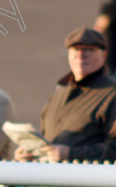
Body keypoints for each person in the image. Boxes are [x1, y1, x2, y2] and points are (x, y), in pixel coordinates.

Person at [15, 28, 116, 163]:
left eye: (88, 50)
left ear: (103, 55)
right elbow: (48, 141)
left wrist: (70, 153)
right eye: (75, 50)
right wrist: (32, 152)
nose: (80, 55)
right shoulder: (58, 95)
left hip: (87, 181)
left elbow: (113, 149)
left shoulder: (111, 94)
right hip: (48, 178)